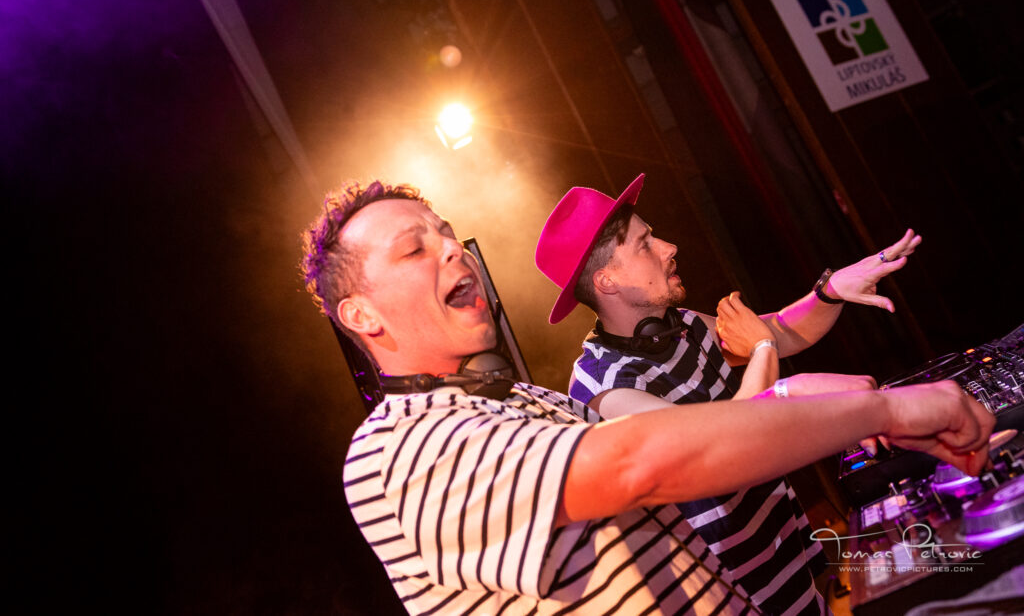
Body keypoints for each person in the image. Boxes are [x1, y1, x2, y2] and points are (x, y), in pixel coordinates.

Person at [302, 179, 993, 615]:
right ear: (362, 315)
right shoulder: (399, 449)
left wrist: (824, 299)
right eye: (414, 250)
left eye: (449, 235)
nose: (454, 250)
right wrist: (882, 408)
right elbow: (645, 460)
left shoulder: (525, 404)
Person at [534, 173, 925, 613]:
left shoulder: (679, 326)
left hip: (785, 561)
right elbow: (728, 439)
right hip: (735, 597)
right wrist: (768, 358)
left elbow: (780, 332)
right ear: (608, 281)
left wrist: (830, 292)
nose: (669, 247)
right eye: (645, 244)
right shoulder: (602, 389)